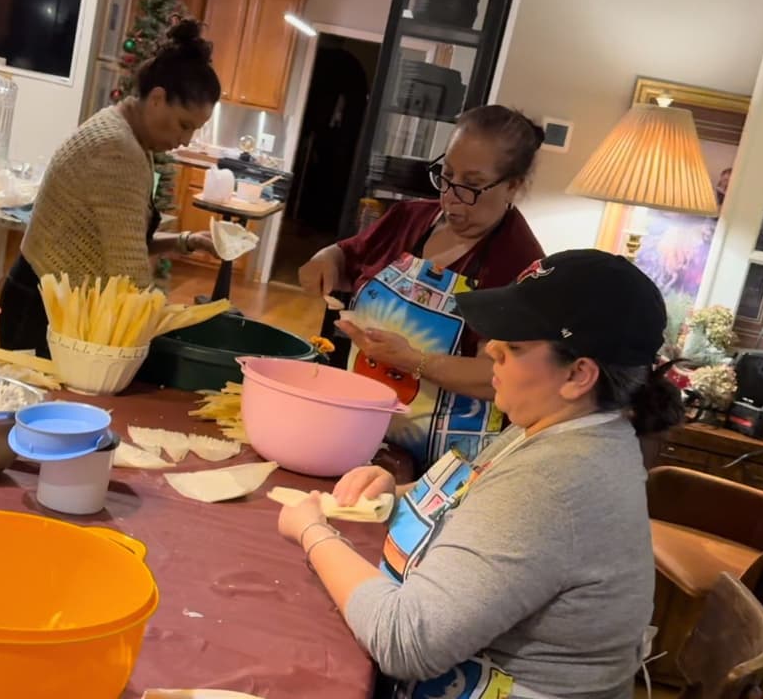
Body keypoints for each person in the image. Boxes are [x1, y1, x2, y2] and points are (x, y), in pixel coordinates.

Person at [279, 249, 683, 698]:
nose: (491, 349)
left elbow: (406, 640)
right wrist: (399, 494)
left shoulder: (553, 482)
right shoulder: (565, 430)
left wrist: (314, 533)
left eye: (513, 347)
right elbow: (477, 506)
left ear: (578, 375)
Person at [298, 106, 547, 474]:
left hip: (439, 467)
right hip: (360, 431)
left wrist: (413, 361)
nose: (451, 197)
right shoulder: (409, 218)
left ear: (513, 185)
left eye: (473, 186)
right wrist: (324, 259)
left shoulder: (520, 265)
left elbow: (499, 377)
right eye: (446, 176)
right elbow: (347, 256)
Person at [0, 20, 223, 356]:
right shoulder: (117, 149)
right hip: (41, 312)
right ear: (158, 99)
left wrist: (185, 242)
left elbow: (119, 240)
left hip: (45, 299)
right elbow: (128, 272)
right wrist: (173, 335)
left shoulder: (126, 133)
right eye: (184, 125)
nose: (185, 139)